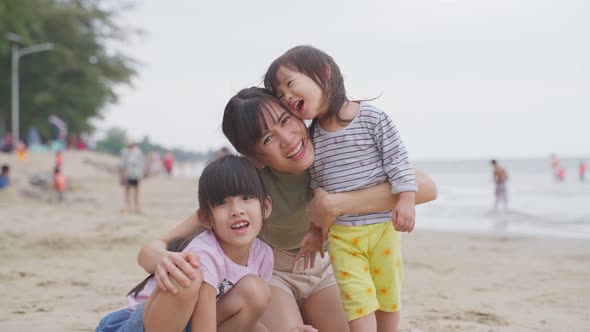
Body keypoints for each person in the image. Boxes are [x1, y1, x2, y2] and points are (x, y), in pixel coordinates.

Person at [138, 87, 437, 332]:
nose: (288, 140)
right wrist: (163, 259)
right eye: (268, 138)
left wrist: (334, 203)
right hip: (272, 274)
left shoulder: (334, 152)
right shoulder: (251, 187)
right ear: (254, 156)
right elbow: (153, 249)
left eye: (285, 121)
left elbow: (425, 187)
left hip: (324, 269)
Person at [264, 45, 416, 332]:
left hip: (383, 229)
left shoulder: (372, 118)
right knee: (356, 301)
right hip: (343, 238)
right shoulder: (313, 138)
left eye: (291, 84)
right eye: (280, 93)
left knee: (388, 296)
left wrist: (406, 199)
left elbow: (398, 161)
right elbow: (319, 191)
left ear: (324, 73)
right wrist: (316, 231)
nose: (285, 96)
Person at [96, 155, 274, 332]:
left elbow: (251, 320)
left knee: (257, 291)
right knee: (188, 274)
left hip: (189, 324)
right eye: (222, 203)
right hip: (139, 325)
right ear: (205, 218)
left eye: (247, 197)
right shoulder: (205, 253)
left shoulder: (263, 255)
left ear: (265, 207)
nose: (237, 211)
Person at [120, 139, 145, 213]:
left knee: (137, 190)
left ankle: (137, 207)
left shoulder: (138, 152)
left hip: (136, 173)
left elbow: (141, 163)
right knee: (127, 190)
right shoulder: (124, 152)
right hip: (128, 173)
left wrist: (141, 173)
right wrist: (122, 174)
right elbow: (123, 164)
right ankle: (127, 206)